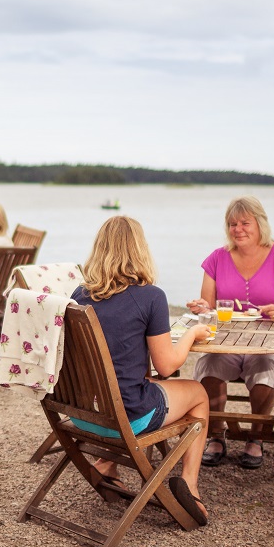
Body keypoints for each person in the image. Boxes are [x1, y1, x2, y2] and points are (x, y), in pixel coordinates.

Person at [70, 216, 213, 524]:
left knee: (135, 382)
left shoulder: (78, 296)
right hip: (128, 420)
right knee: (199, 393)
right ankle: (189, 483)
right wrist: (192, 334)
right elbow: (167, 366)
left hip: (84, 416)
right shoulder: (151, 296)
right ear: (139, 249)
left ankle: (106, 464)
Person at [186, 196, 274, 470]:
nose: (238, 229)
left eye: (244, 223)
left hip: (268, 341)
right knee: (209, 365)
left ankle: (256, 436)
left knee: (266, 368)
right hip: (226, 342)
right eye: (232, 224)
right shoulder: (217, 258)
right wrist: (202, 307)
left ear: (260, 224)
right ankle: (216, 435)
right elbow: (209, 309)